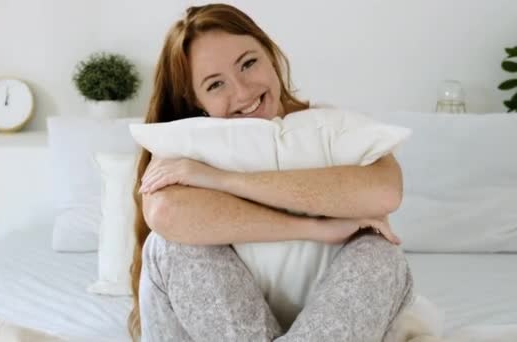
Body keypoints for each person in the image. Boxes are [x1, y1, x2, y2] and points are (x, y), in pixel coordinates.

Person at [128, 3, 413, 341]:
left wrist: (222, 180)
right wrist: (316, 228)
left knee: (381, 251)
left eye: (248, 63)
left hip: (327, 319)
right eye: (216, 84)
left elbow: (385, 192)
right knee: (172, 245)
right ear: (196, 101)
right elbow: (165, 211)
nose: (243, 91)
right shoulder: (185, 145)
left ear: (270, 54)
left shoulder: (326, 128)